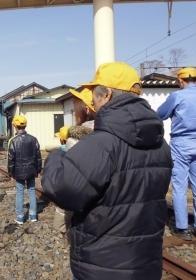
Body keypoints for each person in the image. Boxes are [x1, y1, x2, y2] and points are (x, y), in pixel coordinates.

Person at [41, 62, 172, 280]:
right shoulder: (160, 144)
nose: (92, 100)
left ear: (107, 94)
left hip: (101, 265)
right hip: (146, 262)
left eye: (94, 94)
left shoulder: (101, 144)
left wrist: (56, 157)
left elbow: (63, 190)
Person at [157, 68, 196, 242]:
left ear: (180, 81)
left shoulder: (177, 96)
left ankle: (182, 227)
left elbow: (160, 114)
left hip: (181, 143)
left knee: (179, 186)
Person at [53, 92, 95, 239]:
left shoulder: (75, 140)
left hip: (85, 215)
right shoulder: (114, 133)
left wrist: (61, 222)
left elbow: (72, 185)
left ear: (87, 110)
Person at [7, 115, 42, 225]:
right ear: (25, 125)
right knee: (32, 191)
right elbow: (38, 156)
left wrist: (11, 173)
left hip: (19, 172)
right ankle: (33, 216)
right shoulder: (33, 139)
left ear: (15, 126)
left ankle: (20, 217)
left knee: (20, 193)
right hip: (31, 170)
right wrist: (38, 170)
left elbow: (11, 159)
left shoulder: (13, 141)